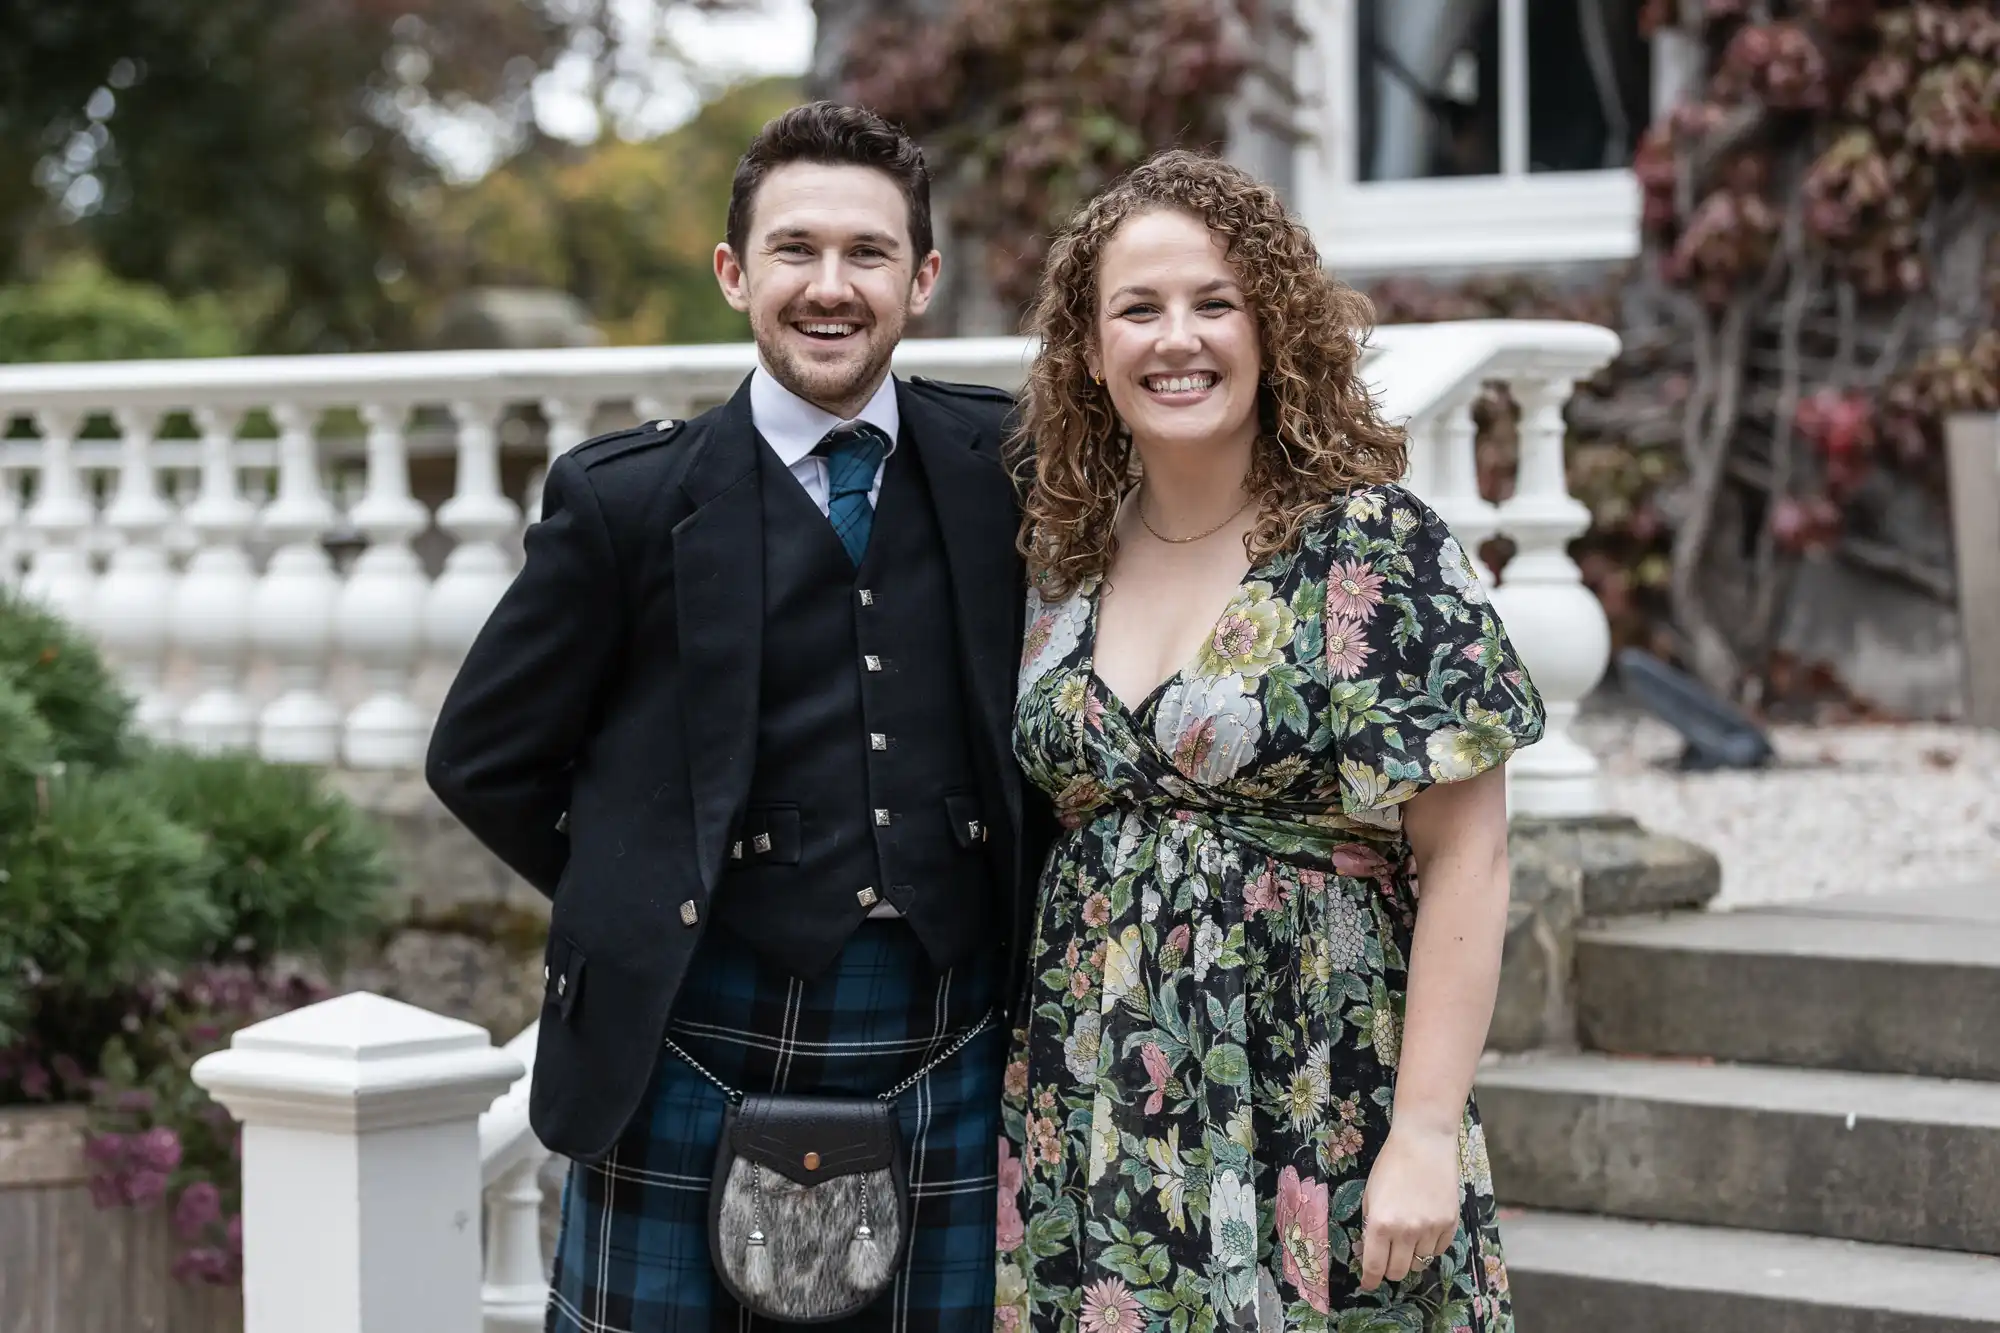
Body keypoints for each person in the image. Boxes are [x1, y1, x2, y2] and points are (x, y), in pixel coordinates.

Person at [426, 102, 1044, 1333]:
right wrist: (648, 874)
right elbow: (480, 756)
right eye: (793, 250)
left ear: (920, 279)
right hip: (694, 1032)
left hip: (949, 1028)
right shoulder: (629, 501)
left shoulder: (1004, 466)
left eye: (867, 254)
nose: (830, 286)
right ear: (733, 273)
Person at [995, 150, 1544, 1332]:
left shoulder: (1370, 547)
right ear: (1090, 351)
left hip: (1316, 1088)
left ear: (1272, 327)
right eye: (1136, 309)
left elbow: (1468, 856)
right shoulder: (1062, 558)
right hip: (1095, 1102)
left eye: (1212, 302)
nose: (1174, 339)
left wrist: (1423, 1132)